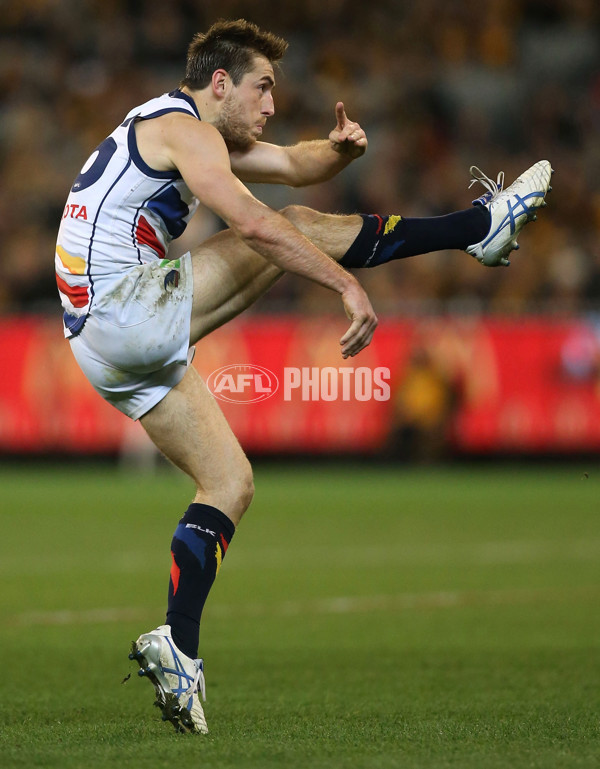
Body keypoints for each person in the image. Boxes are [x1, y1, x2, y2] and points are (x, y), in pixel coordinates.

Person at [55, 19, 552, 734]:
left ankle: (179, 646)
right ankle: (477, 227)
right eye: (262, 87)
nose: (271, 104)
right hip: (121, 307)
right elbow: (258, 224)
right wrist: (344, 286)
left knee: (229, 483)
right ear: (219, 84)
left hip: (99, 340)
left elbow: (293, 163)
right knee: (292, 226)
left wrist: (338, 152)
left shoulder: (185, 129)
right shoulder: (185, 130)